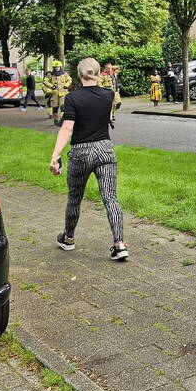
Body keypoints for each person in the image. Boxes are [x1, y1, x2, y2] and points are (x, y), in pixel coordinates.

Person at [49, 57, 128, 261]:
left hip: (81, 152)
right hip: (105, 150)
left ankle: (68, 238)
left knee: (75, 197)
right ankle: (119, 244)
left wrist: (55, 155)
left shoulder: (72, 98)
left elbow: (67, 128)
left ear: (78, 74)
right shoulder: (108, 95)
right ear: (99, 72)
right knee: (110, 197)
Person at [43, 61, 72, 126]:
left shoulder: (64, 74)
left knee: (63, 107)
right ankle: (55, 120)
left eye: (58, 67)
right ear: (54, 67)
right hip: (55, 94)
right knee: (55, 108)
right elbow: (45, 81)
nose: (57, 68)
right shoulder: (50, 75)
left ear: (60, 67)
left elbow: (70, 79)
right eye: (55, 67)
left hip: (63, 93)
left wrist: (66, 85)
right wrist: (51, 86)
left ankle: (62, 121)